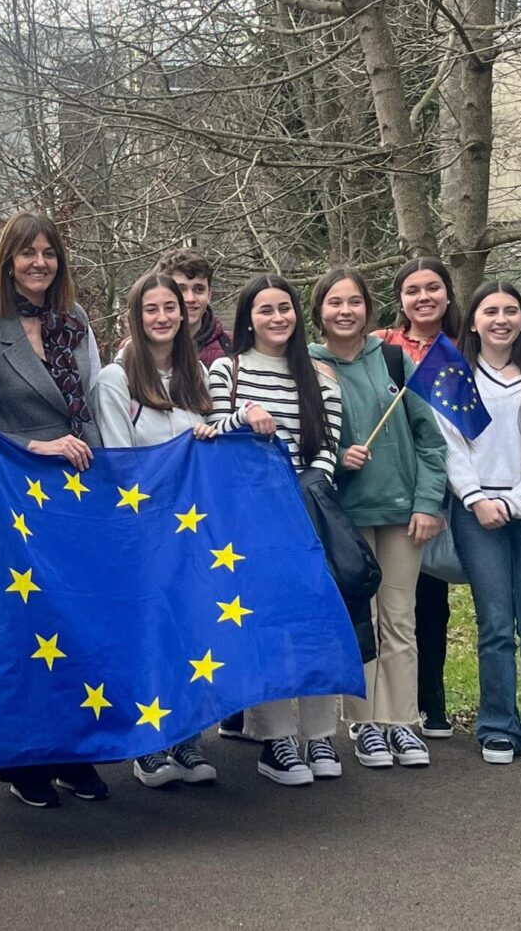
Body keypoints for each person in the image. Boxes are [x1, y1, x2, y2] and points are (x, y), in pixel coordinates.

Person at [0, 210, 108, 808]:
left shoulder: (75, 323)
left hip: (78, 501)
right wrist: (34, 446)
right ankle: (25, 761)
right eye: (28, 253)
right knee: (23, 633)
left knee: (77, 626)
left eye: (49, 253)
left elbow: (93, 404)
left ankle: (75, 752)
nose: (39, 263)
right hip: (18, 505)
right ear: (8, 262)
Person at [207, 274, 344, 787]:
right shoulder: (227, 371)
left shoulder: (321, 377)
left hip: (304, 516)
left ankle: (320, 734)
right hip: (246, 520)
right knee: (263, 625)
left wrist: (305, 498)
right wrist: (245, 413)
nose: (277, 318)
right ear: (248, 318)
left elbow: (327, 449)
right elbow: (210, 432)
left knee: (313, 623)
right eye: (265, 310)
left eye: (284, 308)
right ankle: (276, 738)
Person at [310, 269, 447, 769]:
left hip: (401, 513)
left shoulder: (393, 360)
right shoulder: (308, 365)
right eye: (334, 302)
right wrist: (338, 455)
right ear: (319, 311)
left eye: (354, 301)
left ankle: (401, 721)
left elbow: (431, 441)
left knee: (399, 618)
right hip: (345, 515)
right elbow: (302, 441)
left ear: (368, 308)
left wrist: (428, 502)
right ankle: (365, 722)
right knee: (360, 621)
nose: (345, 311)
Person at [94, 271, 221, 788]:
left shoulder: (198, 375)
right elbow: (118, 461)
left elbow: (209, 449)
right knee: (148, 634)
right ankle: (148, 744)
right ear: (136, 316)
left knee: (190, 631)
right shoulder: (114, 379)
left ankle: (187, 737)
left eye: (171, 307)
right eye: (152, 309)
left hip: (193, 531)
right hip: (142, 532)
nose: (164, 317)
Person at [446, 281, 521, 766]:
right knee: (495, 623)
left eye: (511, 311)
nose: (501, 319)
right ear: (474, 322)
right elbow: (451, 445)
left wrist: (516, 503)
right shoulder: (456, 374)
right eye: (490, 311)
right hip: (477, 513)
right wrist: (476, 498)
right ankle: (497, 725)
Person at [374, 257, 462, 739]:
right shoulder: (381, 347)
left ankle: (432, 697)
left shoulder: (465, 347)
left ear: (448, 293)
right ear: (400, 299)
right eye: (413, 290)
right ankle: (383, 705)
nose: (423, 297)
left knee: (432, 599)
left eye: (432, 288)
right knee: (393, 599)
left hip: (449, 484)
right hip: (390, 485)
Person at [155, 247, 232, 365]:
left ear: (209, 295)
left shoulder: (233, 346)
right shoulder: (141, 350)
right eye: (181, 289)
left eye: (199, 289)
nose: (190, 299)